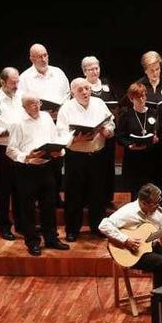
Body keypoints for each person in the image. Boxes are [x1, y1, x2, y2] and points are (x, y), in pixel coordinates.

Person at [6, 93, 70, 256]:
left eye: (38, 103)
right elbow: (11, 150)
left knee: (48, 204)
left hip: (46, 167)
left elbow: (55, 139)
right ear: (24, 107)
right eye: (32, 104)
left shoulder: (47, 117)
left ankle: (51, 238)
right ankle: (32, 241)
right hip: (26, 170)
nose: (37, 106)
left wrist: (59, 151)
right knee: (27, 208)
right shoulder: (17, 122)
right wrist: (27, 157)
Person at [99, 183, 162, 290]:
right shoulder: (128, 211)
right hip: (132, 253)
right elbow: (104, 225)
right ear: (144, 203)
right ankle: (161, 302)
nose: (158, 206)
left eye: (159, 201)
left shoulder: (159, 213)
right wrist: (126, 240)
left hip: (153, 248)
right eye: (155, 203)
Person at [56, 78, 115, 241]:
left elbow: (111, 123)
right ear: (72, 91)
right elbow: (60, 133)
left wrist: (107, 131)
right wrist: (75, 139)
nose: (84, 92)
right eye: (80, 89)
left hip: (97, 156)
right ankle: (72, 230)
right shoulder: (66, 108)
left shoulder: (99, 103)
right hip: (76, 157)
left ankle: (97, 227)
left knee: (97, 193)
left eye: (87, 88)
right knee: (74, 194)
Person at [19, 43, 70, 205]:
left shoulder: (58, 73)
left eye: (45, 55)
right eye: (39, 56)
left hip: (58, 121)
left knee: (57, 158)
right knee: (40, 157)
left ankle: (55, 196)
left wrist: (60, 108)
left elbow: (68, 94)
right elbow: (23, 101)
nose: (43, 59)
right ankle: (37, 197)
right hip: (37, 123)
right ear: (31, 58)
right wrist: (40, 111)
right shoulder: (25, 78)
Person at [0, 67, 24, 240]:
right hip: (4, 150)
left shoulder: (20, 97)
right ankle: (3, 226)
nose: (16, 85)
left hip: (20, 149)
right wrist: (1, 132)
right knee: (4, 190)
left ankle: (22, 224)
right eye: (13, 82)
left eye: (17, 81)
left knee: (21, 189)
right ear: (2, 82)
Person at [138, 51, 162, 206]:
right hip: (145, 133)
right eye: (151, 70)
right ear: (145, 70)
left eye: (157, 69)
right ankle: (145, 198)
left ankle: (161, 197)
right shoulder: (140, 84)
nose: (155, 73)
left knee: (160, 166)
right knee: (146, 167)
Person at [82, 56, 119, 206]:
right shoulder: (82, 86)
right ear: (84, 71)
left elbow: (116, 104)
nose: (94, 71)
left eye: (96, 68)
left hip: (106, 131)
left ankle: (106, 198)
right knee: (90, 168)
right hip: (90, 134)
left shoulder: (106, 85)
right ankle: (88, 198)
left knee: (107, 166)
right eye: (91, 69)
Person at [115, 83, 162, 199]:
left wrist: (156, 138)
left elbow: (158, 132)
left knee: (150, 189)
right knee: (135, 189)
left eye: (144, 96)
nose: (142, 99)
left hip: (150, 156)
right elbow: (120, 136)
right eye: (138, 97)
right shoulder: (126, 115)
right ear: (131, 99)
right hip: (133, 157)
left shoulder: (153, 113)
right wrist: (129, 145)